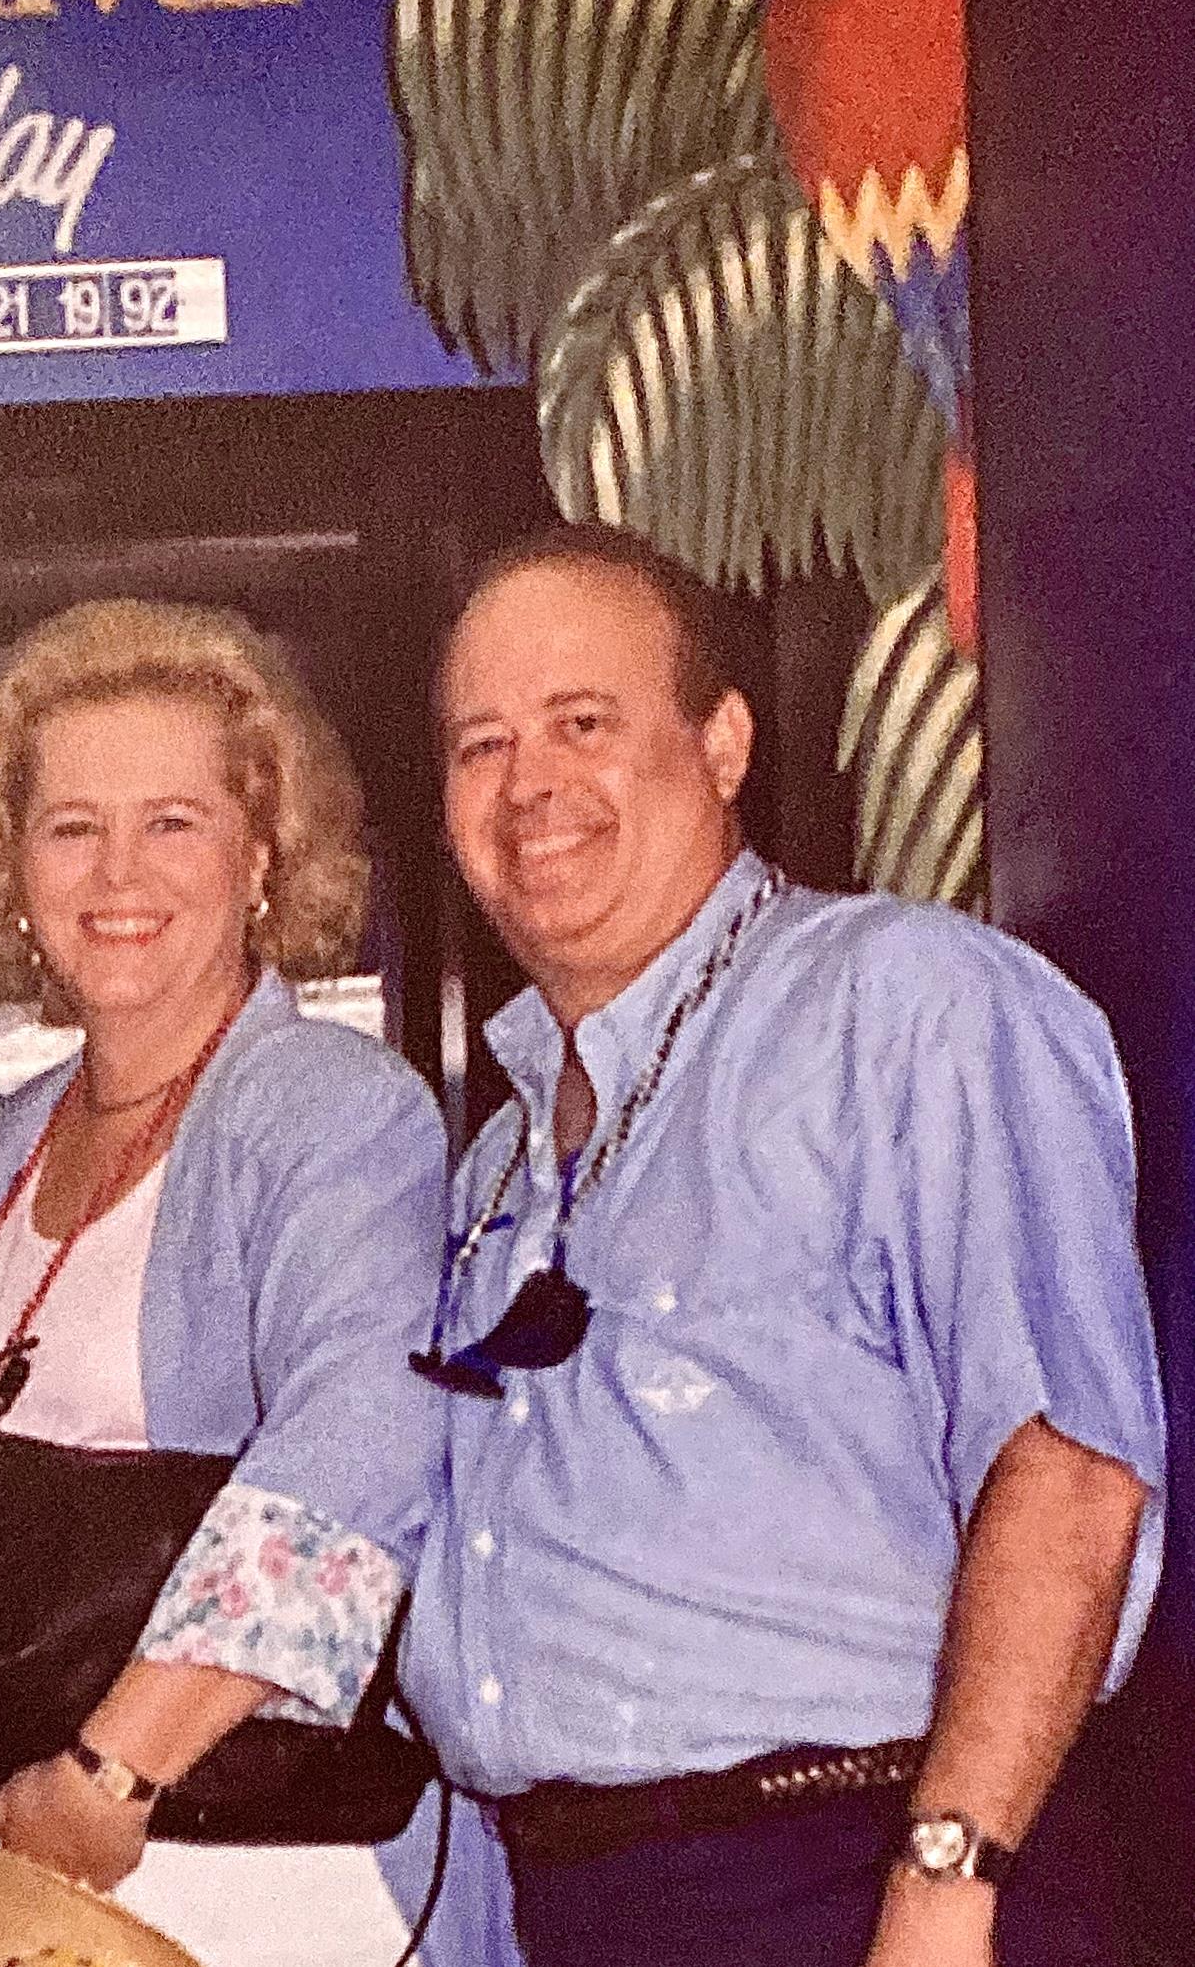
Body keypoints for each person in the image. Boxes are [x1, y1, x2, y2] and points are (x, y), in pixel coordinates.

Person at [405, 524, 1166, 1967]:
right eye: (478, 742)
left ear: (722, 741)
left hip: (869, 1880)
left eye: (582, 721)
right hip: (578, 1907)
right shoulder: (499, 1157)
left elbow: (1068, 1472)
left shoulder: (906, 1005)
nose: (528, 786)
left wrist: (944, 1886)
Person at [0, 598, 449, 1967]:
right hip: (32, 1867)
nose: (115, 872)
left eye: (173, 820)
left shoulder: (332, 1108)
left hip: (248, 1865)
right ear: (11, 867)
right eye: (68, 825)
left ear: (261, 855)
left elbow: (360, 1446)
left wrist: (111, 1768)